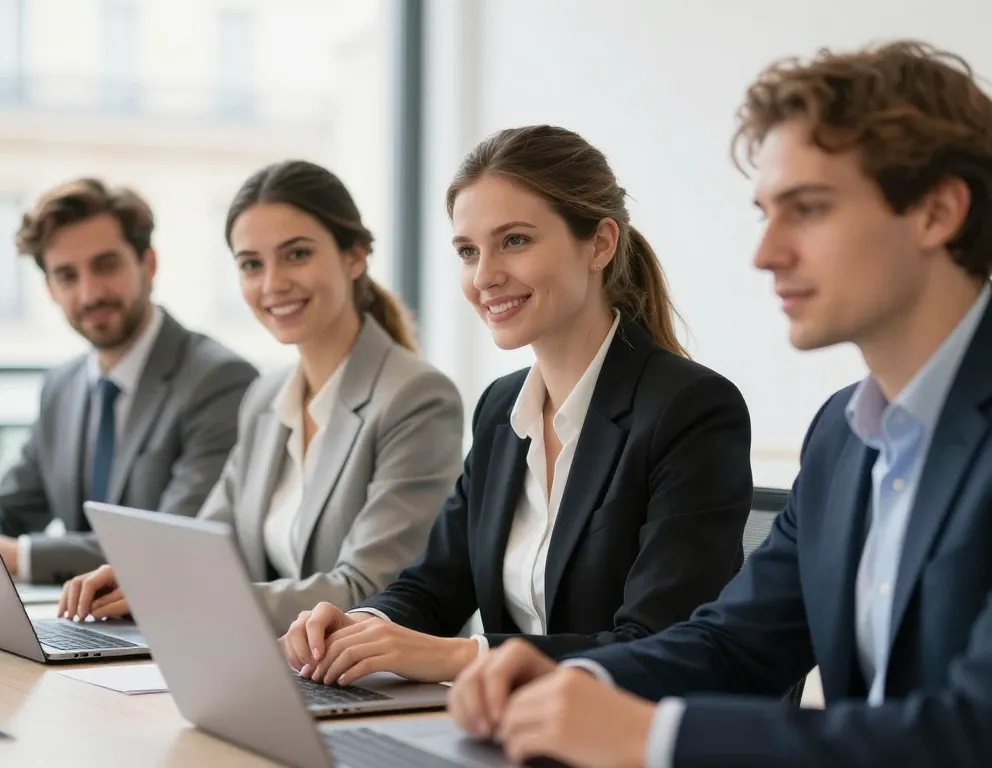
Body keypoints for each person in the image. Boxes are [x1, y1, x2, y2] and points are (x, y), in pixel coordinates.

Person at [447, 41, 992, 768]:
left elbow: (973, 731)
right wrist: (570, 678)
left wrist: (649, 737)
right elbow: (737, 643)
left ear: (937, 212)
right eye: (765, 213)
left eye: (808, 210)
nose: (764, 252)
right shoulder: (843, 437)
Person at [278, 124, 754, 688]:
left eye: (515, 241)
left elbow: (657, 643)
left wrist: (461, 658)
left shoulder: (689, 409)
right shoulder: (503, 409)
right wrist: (360, 625)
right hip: (511, 733)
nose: (485, 276)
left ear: (600, 243)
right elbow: (435, 583)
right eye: (467, 251)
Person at [58, 160, 465, 633]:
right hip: (277, 667)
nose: (272, 284)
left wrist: (182, 595)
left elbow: (367, 589)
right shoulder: (265, 397)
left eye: (296, 255)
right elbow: (207, 545)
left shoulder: (416, 398)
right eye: (252, 264)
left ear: (355, 256)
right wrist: (144, 578)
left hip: (378, 683)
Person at [0, 178, 258, 586]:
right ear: (50, 289)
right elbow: (7, 507)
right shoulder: (63, 386)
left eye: (106, 265)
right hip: (79, 620)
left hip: (167, 624)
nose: (90, 292)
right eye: (67, 276)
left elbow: (173, 539)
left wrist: (20, 556)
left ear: (148, 264)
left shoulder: (219, 381)